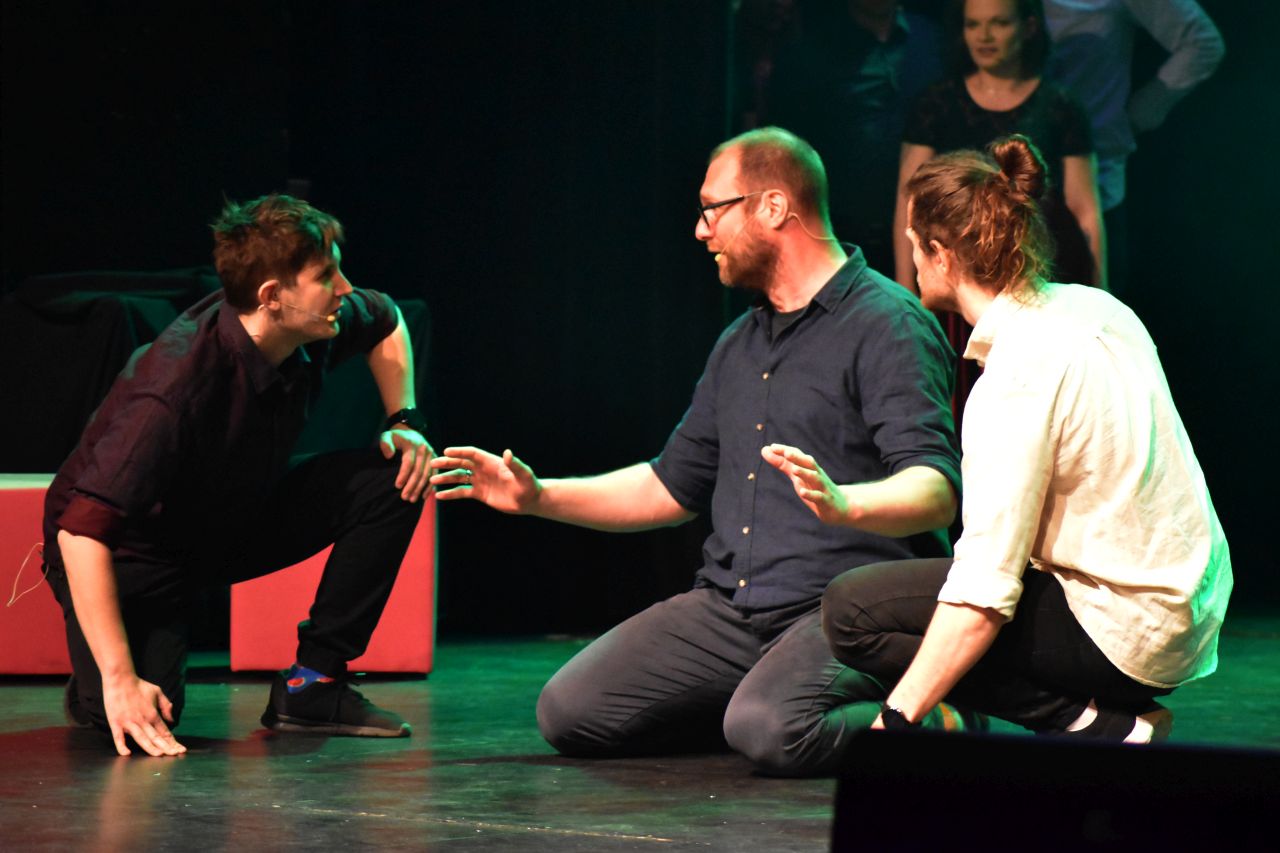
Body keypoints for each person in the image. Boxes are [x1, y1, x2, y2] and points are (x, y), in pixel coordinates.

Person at [429, 127, 964, 777]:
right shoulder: (739, 343)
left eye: (714, 208)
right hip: (734, 608)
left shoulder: (887, 322)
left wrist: (843, 503)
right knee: (571, 711)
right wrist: (538, 495)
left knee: (774, 728)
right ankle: (754, 699)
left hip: (844, 611)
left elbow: (936, 488)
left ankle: (936, 720)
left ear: (773, 206)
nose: (701, 230)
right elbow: (669, 486)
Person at [821, 136, 1231, 744]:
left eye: (912, 242)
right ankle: (1098, 716)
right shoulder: (1099, 308)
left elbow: (982, 594)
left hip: (1122, 634)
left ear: (941, 255)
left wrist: (894, 722)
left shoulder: (1015, 377)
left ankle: (1089, 723)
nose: (908, 256)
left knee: (853, 610)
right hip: (1190, 614)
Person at [43, 194, 435, 757]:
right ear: (272, 296)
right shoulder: (171, 390)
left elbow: (387, 317)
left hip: (228, 514)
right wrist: (119, 679)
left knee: (393, 478)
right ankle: (96, 684)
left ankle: (312, 684)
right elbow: (80, 533)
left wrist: (405, 421)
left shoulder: (308, 322)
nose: (344, 288)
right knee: (136, 715)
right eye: (326, 276)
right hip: (136, 556)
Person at [893, 0, 1105, 294]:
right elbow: (910, 203)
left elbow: (1084, 209)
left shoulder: (1060, 106)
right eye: (973, 24)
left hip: (1039, 273)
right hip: (960, 277)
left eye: (1000, 23)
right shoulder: (935, 104)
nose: (984, 36)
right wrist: (906, 292)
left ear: (1028, 27)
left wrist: (1100, 291)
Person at [1044, 0, 1225, 295]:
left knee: (1093, 305)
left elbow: (1201, 42)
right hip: (1012, 187)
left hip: (1095, 176)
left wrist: (1136, 115)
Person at [765, 0, 945, 274]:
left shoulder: (932, 38)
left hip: (928, 221)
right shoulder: (813, 49)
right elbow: (786, 148)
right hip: (842, 227)